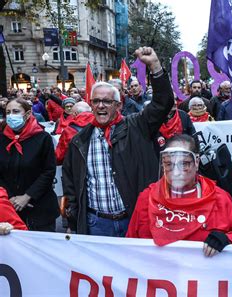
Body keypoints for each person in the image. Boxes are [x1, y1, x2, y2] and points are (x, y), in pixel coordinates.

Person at [62, 47, 174, 236]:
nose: (101, 106)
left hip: (136, 218)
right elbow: (71, 183)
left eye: (107, 101)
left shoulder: (138, 126)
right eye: (96, 101)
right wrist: (73, 219)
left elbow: (163, 103)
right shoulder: (80, 141)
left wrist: (154, 65)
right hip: (97, 224)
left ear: (119, 105)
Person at [127, 134, 232, 256]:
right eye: (169, 164)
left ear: (196, 162)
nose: (176, 172)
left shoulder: (219, 198)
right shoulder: (147, 198)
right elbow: (128, 246)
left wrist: (226, 239)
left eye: (184, 164)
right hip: (157, 273)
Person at [0, 98, 59, 231]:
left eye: (15, 111)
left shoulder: (43, 138)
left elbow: (48, 171)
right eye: (8, 112)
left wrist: (27, 197)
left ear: (27, 114)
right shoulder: (2, 138)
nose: (11, 116)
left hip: (41, 208)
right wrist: (9, 198)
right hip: (9, 208)